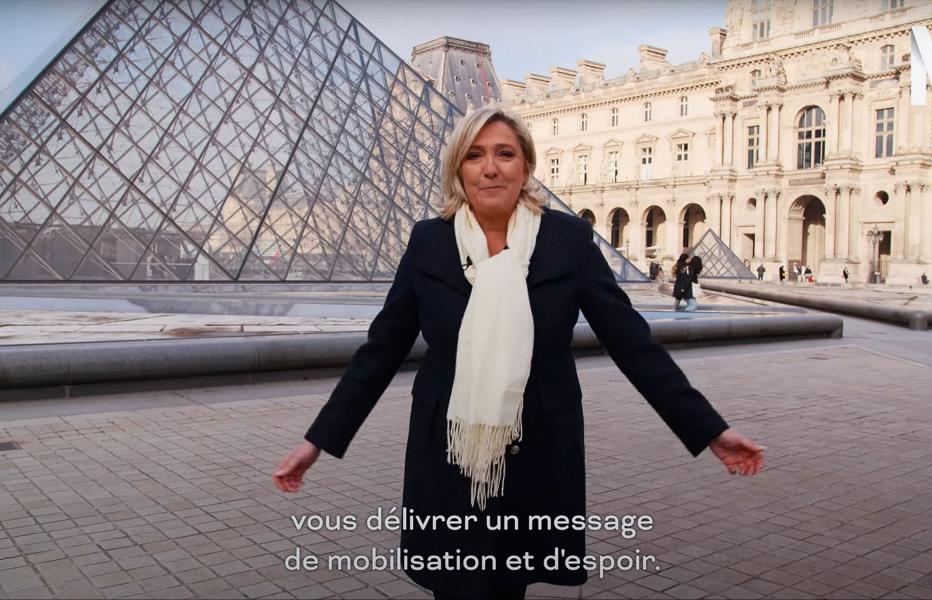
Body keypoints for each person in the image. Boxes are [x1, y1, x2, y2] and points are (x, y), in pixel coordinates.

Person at [272, 108, 764, 600]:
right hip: (451, 448)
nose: (490, 167)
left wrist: (709, 429)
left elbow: (633, 343)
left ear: (526, 167)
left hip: (540, 448)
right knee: (459, 587)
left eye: (504, 154)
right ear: (457, 170)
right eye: (475, 155)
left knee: (510, 585)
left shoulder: (566, 240)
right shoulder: (429, 241)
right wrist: (318, 440)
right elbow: (380, 351)